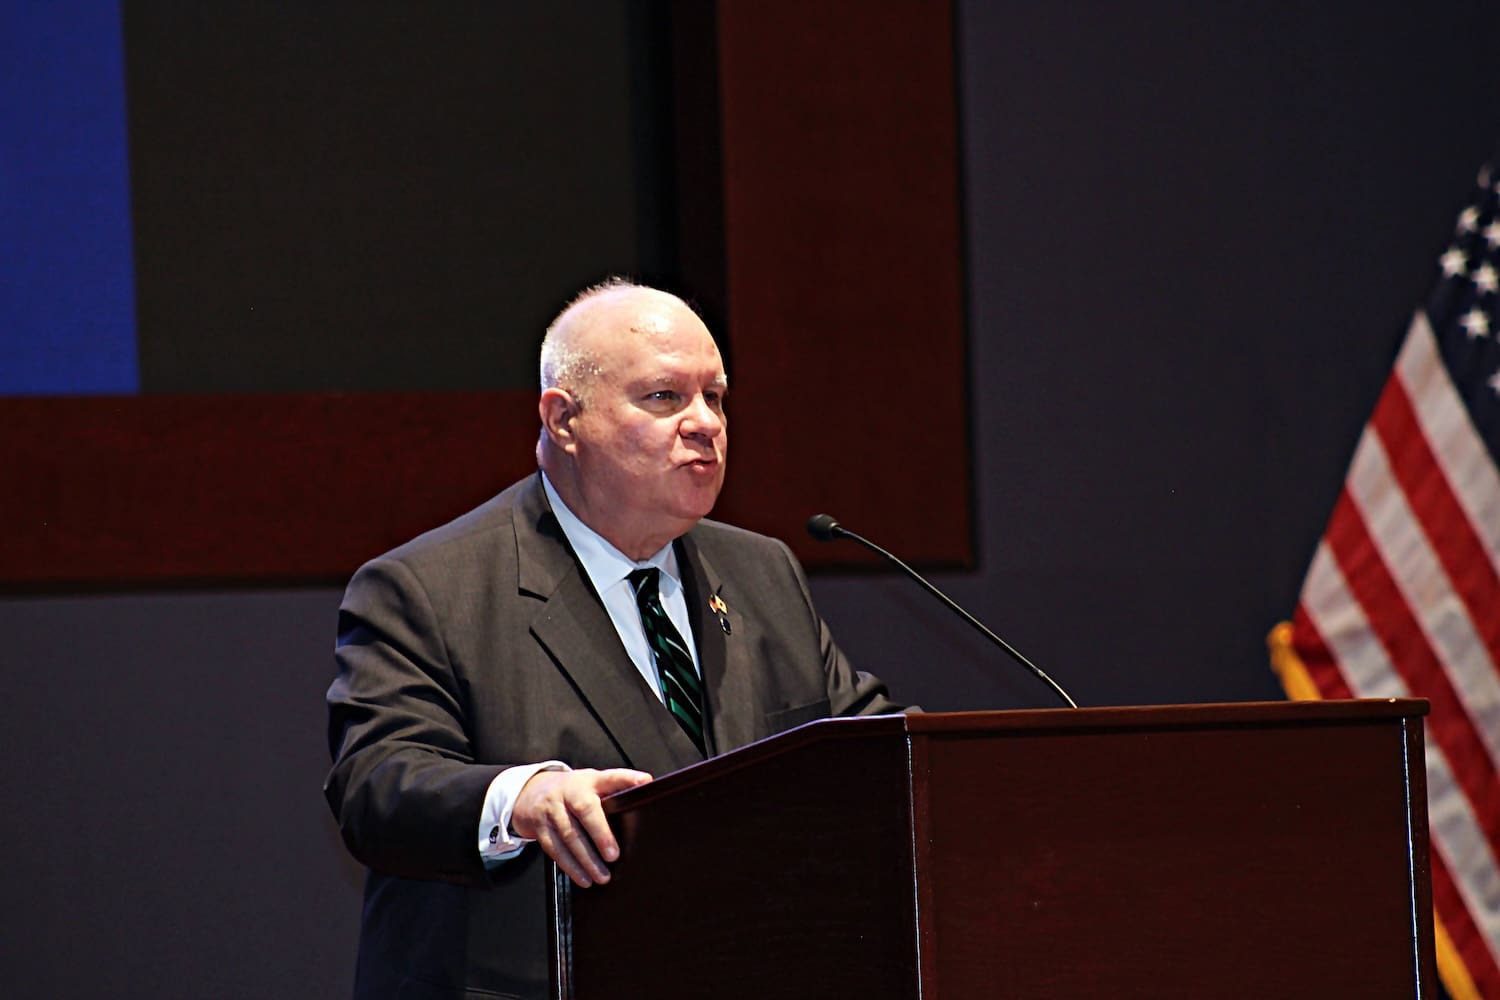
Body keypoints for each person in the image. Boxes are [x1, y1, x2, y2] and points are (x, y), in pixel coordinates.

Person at [324, 279, 905, 999]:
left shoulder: (762, 570)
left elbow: (873, 750)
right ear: (563, 419)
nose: (705, 425)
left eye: (716, 398)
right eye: (665, 398)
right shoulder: (428, 587)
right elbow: (377, 787)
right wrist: (521, 796)